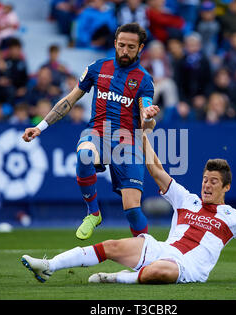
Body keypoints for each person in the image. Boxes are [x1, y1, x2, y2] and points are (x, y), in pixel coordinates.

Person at [21, 108, 236, 285]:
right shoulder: (187, 199)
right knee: (113, 244)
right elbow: (155, 170)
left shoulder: (234, 218)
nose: (207, 185)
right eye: (205, 180)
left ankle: (116, 278)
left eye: (213, 183)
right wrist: (143, 134)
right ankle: (47, 265)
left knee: (163, 271)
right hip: (161, 249)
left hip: (187, 269)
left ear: (226, 188)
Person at [22, 23, 157, 240]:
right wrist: (40, 127)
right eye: (121, 45)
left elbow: (146, 123)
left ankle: (147, 257)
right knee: (84, 154)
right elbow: (70, 100)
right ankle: (93, 212)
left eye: (131, 47)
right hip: (97, 132)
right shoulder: (97, 68)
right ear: (114, 43)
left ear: (140, 48)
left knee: (132, 210)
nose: (124, 51)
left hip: (127, 142)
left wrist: (149, 116)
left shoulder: (144, 80)